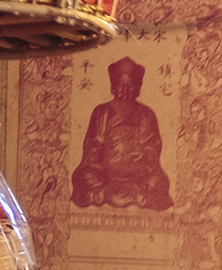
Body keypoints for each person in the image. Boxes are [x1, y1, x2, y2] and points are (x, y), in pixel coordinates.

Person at [72, 56, 172, 210]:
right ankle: (133, 195)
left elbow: (152, 146)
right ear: (113, 85)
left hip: (137, 172)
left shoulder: (146, 114)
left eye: (130, 84)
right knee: (83, 177)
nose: (125, 89)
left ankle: (110, 193)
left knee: (159, 182)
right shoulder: (102, 112)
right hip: (105, 171)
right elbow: (92, 145)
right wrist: (107, 159)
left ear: (138, 87)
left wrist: (139, 158)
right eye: (120, 84)